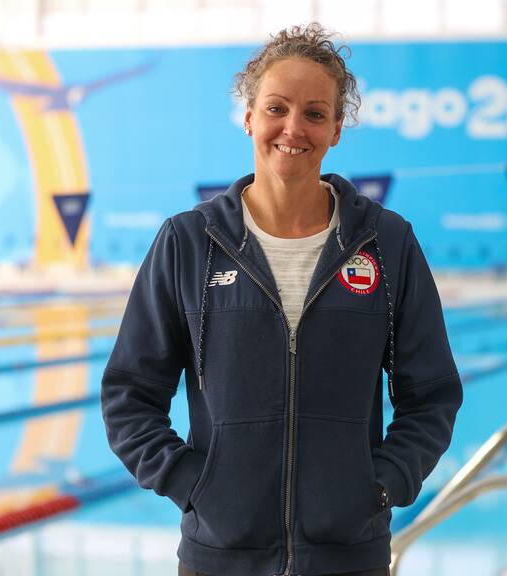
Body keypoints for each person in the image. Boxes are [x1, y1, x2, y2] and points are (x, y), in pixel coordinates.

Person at [101, 23, 462, 576]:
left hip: (349, 555)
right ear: (249, 116)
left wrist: (383, 484)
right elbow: (129, 393)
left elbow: (432, 393)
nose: (293, 128)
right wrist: (191, 483)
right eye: (277, 108)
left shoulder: (386, 243)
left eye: (315, 113)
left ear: (336, 128)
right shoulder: (188, 243)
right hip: (220, 556)